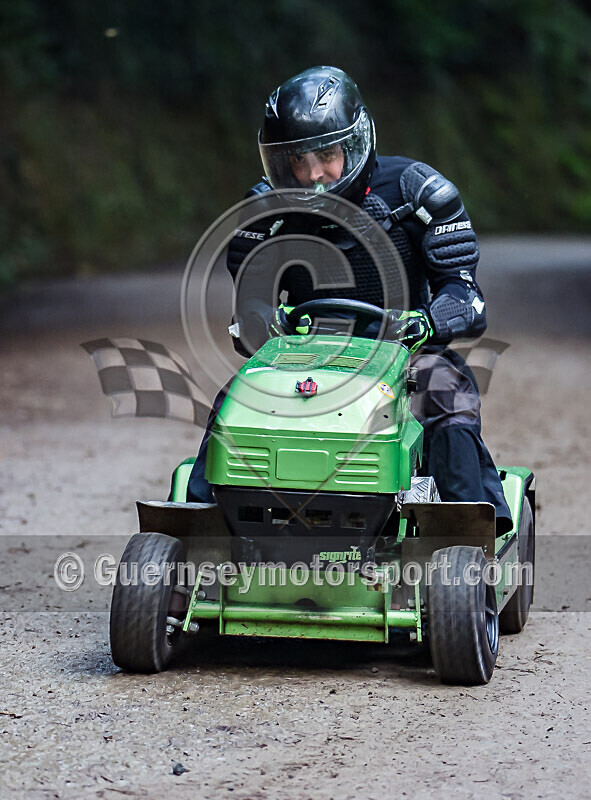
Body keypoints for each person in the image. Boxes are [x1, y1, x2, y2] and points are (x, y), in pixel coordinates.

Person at [186, 65, 512, 534]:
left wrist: (425, 323)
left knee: (446, 390)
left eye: (327, 155)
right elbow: (251, 303)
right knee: (237, 396)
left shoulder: (418, 193)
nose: (315, 174)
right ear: (280, 163)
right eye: (299, 161)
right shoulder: (265, 211)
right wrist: (267, 322)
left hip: (407, 354)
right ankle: (199, 535)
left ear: (355, 144)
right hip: (305, 356)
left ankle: (470, 536)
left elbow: (465, 296)